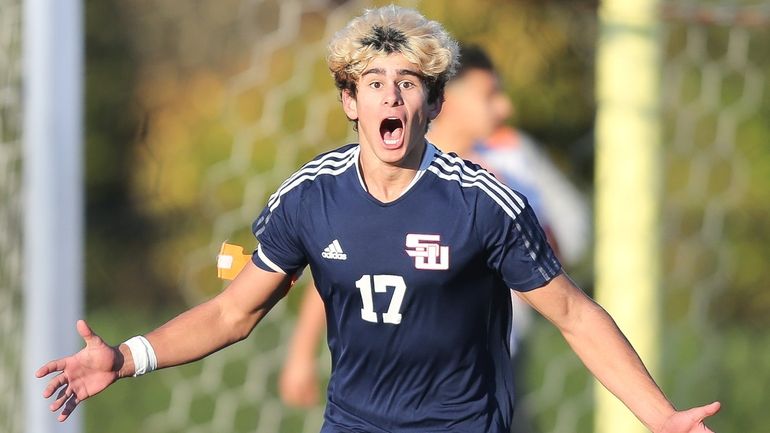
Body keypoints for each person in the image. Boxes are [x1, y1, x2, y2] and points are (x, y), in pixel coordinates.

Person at [37, 6, 720, 433]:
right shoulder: (309, 196)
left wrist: (658, 415)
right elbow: (230, 314)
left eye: (408, 83)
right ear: (350, 103)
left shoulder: (483, 200)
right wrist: (126, 356)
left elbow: (572, 313)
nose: (391, 96)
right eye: (373, 83)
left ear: (432, 102)